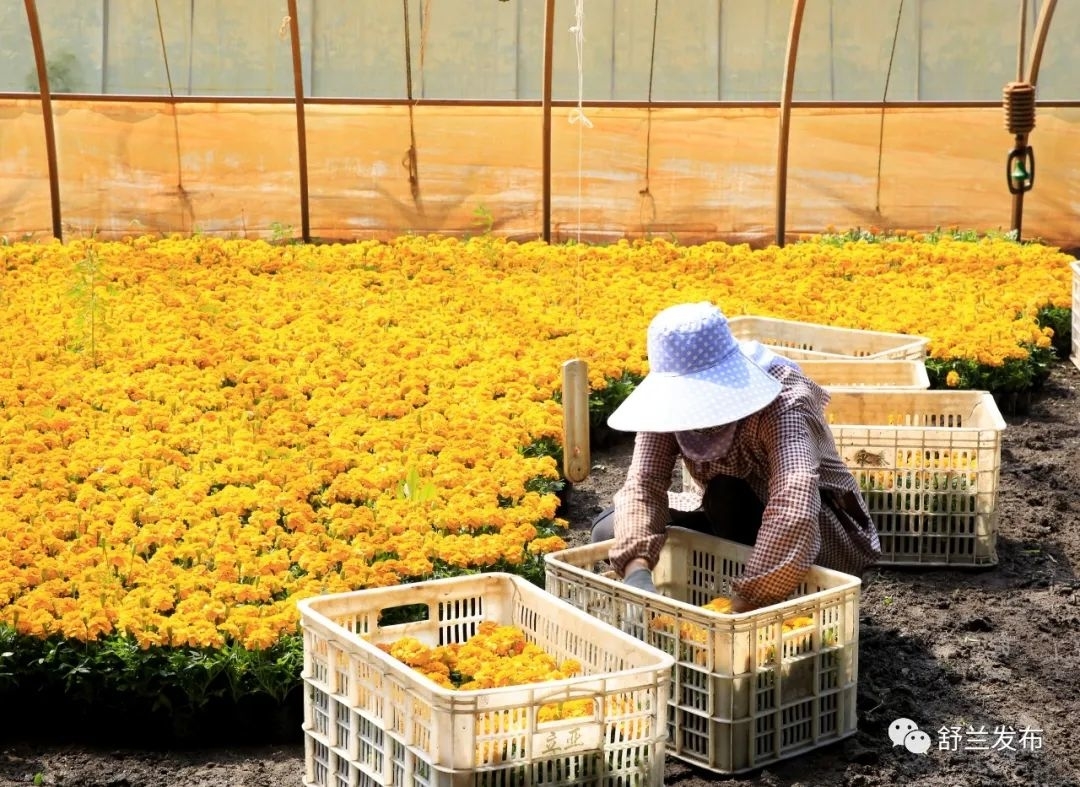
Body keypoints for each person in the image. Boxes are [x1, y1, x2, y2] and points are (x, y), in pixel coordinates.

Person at [591, 301, 881, 611]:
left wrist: (739, 608)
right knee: (610, 528)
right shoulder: (670, 407)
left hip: (816, 533)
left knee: (728, 493)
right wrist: (638, 576)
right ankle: (707, 586)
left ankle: (763, 593)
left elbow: (795, 505)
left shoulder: (783, 401)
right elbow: (644, 484)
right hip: (732, 521)